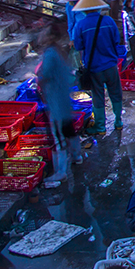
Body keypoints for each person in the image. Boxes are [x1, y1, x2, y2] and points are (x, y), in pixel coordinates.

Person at [70, 0, 123, 136]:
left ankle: (100, 127)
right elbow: (116, 40)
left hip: (94, 68)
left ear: (85, 9)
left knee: (98, 96)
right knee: (115, 93)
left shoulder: (81, 25)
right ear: (99, 7)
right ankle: (118, 122)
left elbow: (79, 46)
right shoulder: (109, 21)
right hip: (111, 65)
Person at [38, 19, 83, 177]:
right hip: (64, 99)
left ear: (49, 37)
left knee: (58, 137)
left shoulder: (50, 54)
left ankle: (61, 171)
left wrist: (37, 78)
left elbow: (46, 75)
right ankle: (77, 156)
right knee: (69, 129)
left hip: (56, 101)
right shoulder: (59, 52)